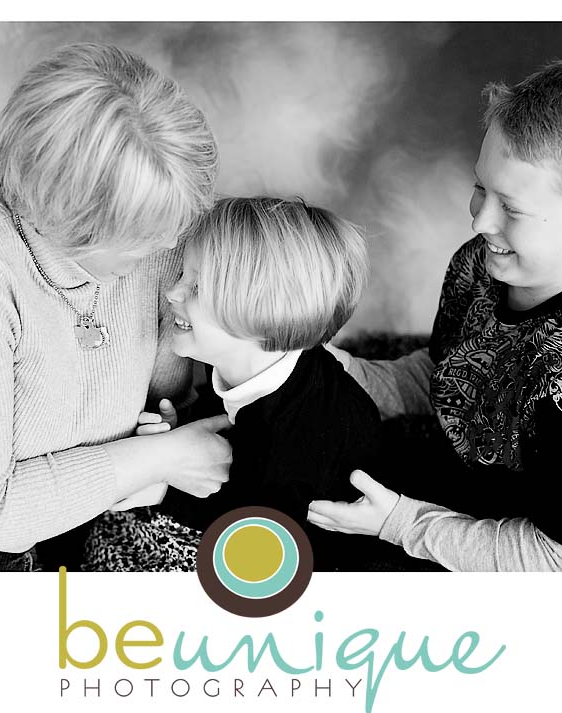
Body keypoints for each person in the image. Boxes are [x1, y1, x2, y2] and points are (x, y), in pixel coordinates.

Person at [308, 58, 562, 572]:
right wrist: (340, 371)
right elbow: (450, 374)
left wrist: (402, 523)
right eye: (481, 187)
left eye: (512, 208)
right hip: (456, 491)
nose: (480, 220)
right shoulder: (480, 264)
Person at [0, 42, 233, 572]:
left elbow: (183, 403)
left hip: (111, 519)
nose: (170, 242)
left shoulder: (162, 240)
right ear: (62, 212)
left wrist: (161, 449)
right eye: (140, 232)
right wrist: (158, 458)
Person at [82, 197, 382, 571]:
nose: (173, 292)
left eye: (196, 287)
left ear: (260, 313)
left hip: (309, 547)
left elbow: (257, 528)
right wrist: (182, 431)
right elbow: (233, 429)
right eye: (183, 275)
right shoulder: (248, 363)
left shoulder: (299, 437)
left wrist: (165, 490)